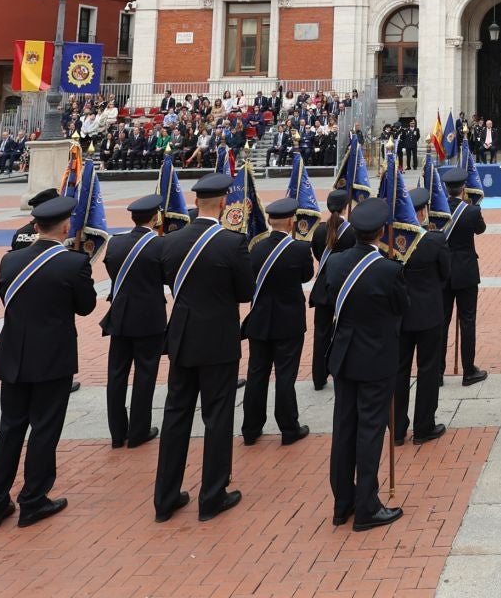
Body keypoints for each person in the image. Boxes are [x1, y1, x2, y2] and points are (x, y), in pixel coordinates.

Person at [0, 194, 95, 530]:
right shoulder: (73, 263)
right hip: (52, 357)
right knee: (44, 429)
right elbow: (85, 306)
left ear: (34, 225)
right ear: (65, 226)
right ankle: (33, 499)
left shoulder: (10, 261)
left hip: (13, 354)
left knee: (10, 430)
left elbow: (7, 300)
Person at [153, 172, 252, 523]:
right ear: (224, 203)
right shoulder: (232, 242)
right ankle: (212, 496)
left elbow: (168, 282)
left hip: (182, 336)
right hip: (218, 340)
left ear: (196, 203)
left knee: (176, 416)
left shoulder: (169, 242)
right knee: (218, 417)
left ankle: (164, 498)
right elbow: (245, 292)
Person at [323, 198, 407, 531]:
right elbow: (402, 306)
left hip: (344, 356)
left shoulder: (336, 263)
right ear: (382, 231)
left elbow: (330, 300)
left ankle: (342, 503)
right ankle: (367, 506)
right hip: (375, 359)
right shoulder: (389, 269)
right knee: (370, 432)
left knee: (344, 429)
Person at [242, 197, 315, 447]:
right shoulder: (299, 249)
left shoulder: (256, 248)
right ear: (291, 221)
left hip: (260, 320)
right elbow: (307, 276)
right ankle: (288, 428)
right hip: (288, 321)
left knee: (257, 374)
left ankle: (250, 428)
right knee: (285, 376)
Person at [102, 193, 169, 449]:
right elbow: (166, 276)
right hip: (149, 316)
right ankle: (139, 430)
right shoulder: (160, 245)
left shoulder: (116, 243)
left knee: (116, 374)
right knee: (145, 373)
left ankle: (117, 433)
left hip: (120, 315)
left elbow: (111, 270)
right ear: (155, 217)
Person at [390, 186, 450, 445]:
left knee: (399, 371)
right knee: (427, 369)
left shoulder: (392, 243)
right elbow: (445, 274)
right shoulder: (435, 240)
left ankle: (398, 429)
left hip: (400, 316)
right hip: (428, 314)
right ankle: (424, 426)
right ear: (423, 212)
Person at [440, 166, 488, 387]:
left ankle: (437, 371)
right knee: (467, 321)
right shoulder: (471, 211)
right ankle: (469, 371)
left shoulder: (437, 211)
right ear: (463, 188)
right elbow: (481, 230)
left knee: (441, 322)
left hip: (443, 271)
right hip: (466, 271)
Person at [309, 187, 357, 390]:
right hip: (344, 286)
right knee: (345, 331)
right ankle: (341, 371)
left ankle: (318, 377)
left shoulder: (320, 230)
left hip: (322, 287)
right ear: (346, 207)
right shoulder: (352, 232)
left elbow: (317, 253)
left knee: (321, 334)